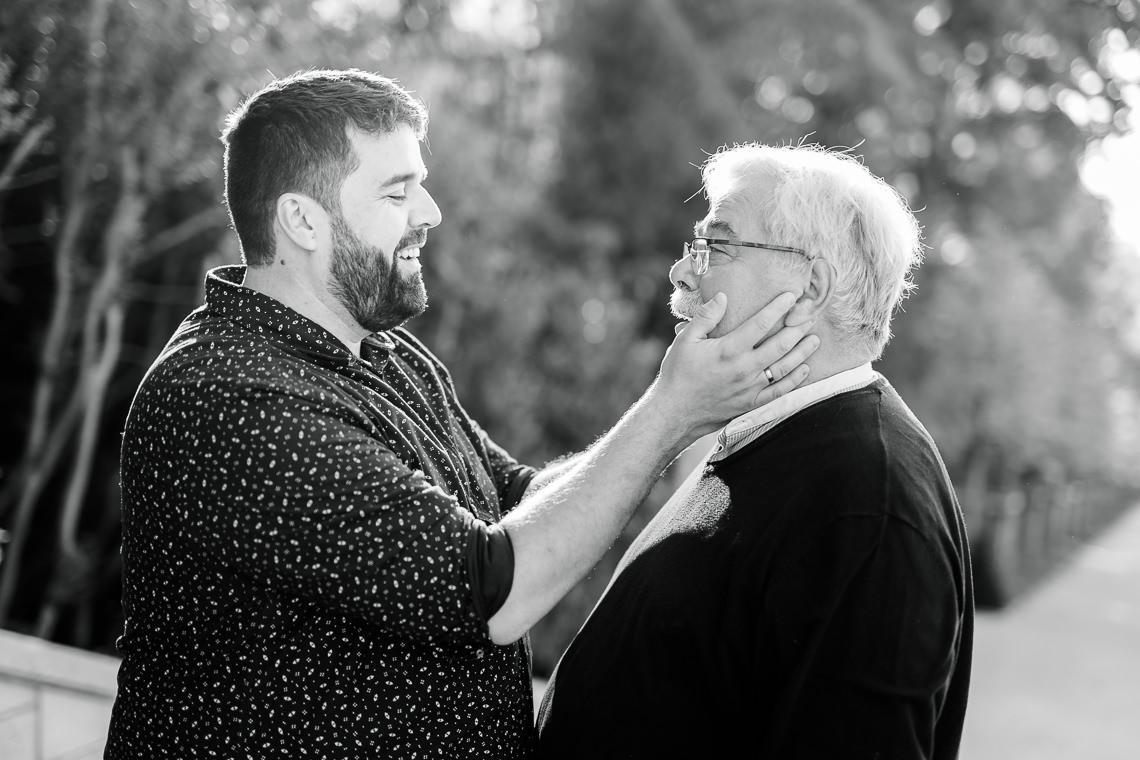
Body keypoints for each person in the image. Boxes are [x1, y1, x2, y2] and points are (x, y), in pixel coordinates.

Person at [103, 70, 819, 758]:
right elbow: (492, 591)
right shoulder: (230, 397)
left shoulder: (387, 354)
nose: (430, 214)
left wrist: (679, 415)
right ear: (302, 220)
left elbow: (521, 504)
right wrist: (671, 411)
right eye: (396, 193)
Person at [535, 143, 974, 759]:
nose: (682, 273)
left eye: (716, 246)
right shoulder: (780, 437)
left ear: (810, 285)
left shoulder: (869, 502)